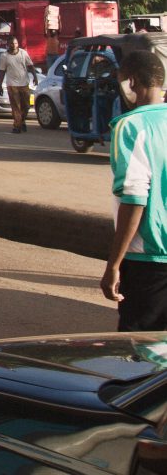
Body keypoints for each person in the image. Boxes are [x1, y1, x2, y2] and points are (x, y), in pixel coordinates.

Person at [102, 49, 167, 329]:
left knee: (141, 354)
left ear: (132, 83)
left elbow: (134, 199)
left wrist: (113, 265)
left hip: (147, 261)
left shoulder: (130, 126)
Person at [0, 36, 39, 134]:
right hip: (12, 85)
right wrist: (0, 85)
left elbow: (30, 66)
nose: (14, 45)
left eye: (15, 43)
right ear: (8, 44)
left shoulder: (23, 53)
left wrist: (35, 77)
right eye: (12, 43)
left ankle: (22, 121)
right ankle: (17, 126)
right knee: (16, 106)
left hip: (24, 83)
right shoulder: (4, 56)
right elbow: (2, 71)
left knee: (27, 105)